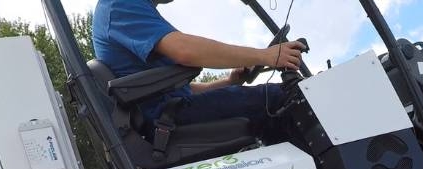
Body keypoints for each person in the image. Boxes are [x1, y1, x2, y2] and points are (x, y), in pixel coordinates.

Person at [92, 0, 306, 136]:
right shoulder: (120, 4)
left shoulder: (135, 10)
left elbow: (174, 86)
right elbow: (184, 51)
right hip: (165, 118)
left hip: (168, 111)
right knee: (286, 97)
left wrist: (230, 82)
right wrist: (266, 55)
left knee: (271, 105)